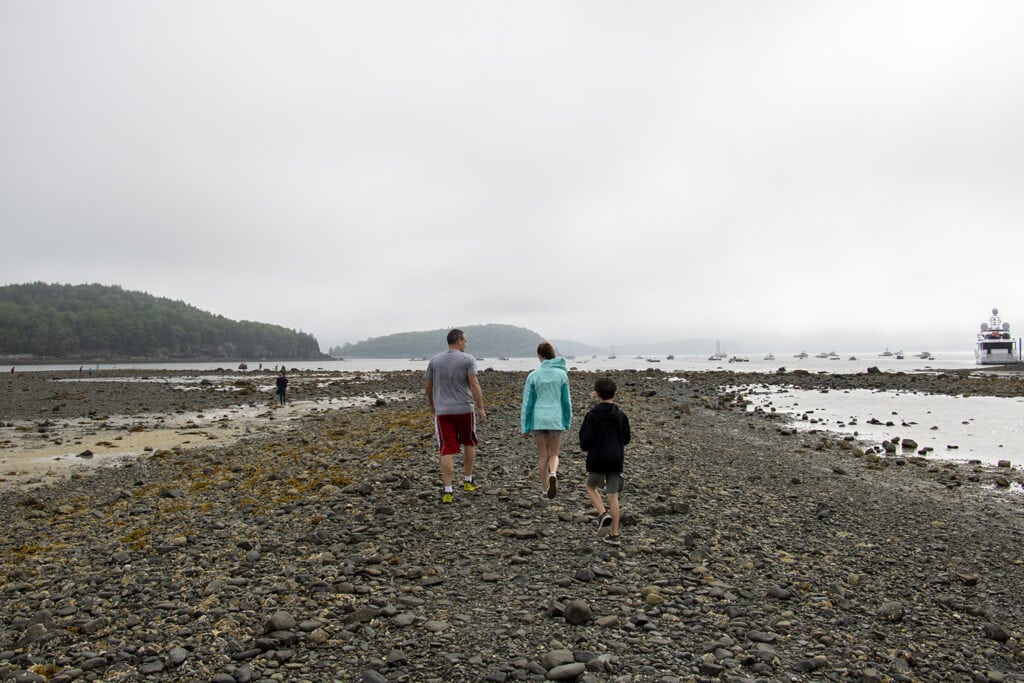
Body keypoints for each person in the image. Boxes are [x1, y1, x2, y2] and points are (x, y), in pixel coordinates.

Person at [425, 328, 486, 503]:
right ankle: (468, 481)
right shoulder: (469, 359)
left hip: (443, 411)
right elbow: (474, 384)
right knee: (469, 442)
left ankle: (448, 491)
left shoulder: (435, 360)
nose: (466, 343)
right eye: (465, 340)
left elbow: (428, 386)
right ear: (458, 340)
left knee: (446, 448)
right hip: (465, 409)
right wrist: (480, 407)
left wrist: (432, 404)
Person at [579, 376, 631, 546]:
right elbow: (626, 438)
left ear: (597, 394)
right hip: (616, 458)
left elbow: (585, 441)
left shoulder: (592, 415)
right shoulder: (621, 415)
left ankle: (602, 514)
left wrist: (590, 447)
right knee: (613, 496)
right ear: (614, 393)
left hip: (598, 458)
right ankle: (615, 535)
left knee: (590, 487)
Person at [521, 341, 571, 499]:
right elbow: (566, 401)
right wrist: (567, 420)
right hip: (555, 418)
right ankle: (554, 473)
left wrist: (525, 425)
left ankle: (544, 490)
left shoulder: (533, 375)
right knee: (554, 454)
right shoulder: (562, 375)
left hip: (538, 419)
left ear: (539, 356)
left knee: (542, 455)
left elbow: (527, 403)